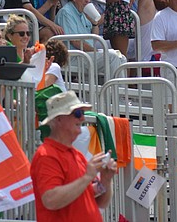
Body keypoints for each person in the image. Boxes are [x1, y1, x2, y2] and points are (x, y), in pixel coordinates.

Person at [30, 91, 115, 221]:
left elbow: (101, 203)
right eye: (77, 113)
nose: (82, 118)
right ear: (59, 119)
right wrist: (87, 176)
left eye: (82, 113)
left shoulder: (76, 155)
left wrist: (106, 180)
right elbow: (50, 200)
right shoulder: (46, 155)